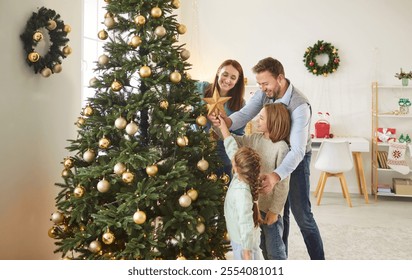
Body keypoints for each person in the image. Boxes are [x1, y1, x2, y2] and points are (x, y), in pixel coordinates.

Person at [210, 57, 325, 260]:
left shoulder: (300, 106)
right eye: (260, 83)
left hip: (294, 157)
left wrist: (275, 175)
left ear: (279, 78)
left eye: (265, 83)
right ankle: (281, 259)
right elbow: (245, 114)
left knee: (303, 216)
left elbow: (297, 150)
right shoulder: (265, 94)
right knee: (279, 214)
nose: (262, 88)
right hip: (270, 151)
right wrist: (225, 122)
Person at [216, 103, 290, 260]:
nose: (257, 120)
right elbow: (233, 145)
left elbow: (283, 184)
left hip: (269, 209)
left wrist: (275, 211)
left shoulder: (281, 148)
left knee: (275, 250)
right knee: (260, 246)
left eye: (261, 118)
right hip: (254, 205)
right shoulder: (255, 139)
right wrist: (220, 126)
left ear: (273, 122)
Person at [196, 59, 246, 181]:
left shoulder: (240, 104)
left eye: (233, 78)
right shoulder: (201, 88)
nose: (228, 80)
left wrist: (221, 127)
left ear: (237, 81)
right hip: (196, 148)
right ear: (218, 72)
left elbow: (238, 136)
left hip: (222, 153)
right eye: (225, 74)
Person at [220, 141, 264, 260]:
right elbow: (232, 150)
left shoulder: (241, 192)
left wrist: (246, 251)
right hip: (244, 239)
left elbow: (246, 224)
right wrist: (224, 129)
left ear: (236, 167)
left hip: (243, 243)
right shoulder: (243, 176)